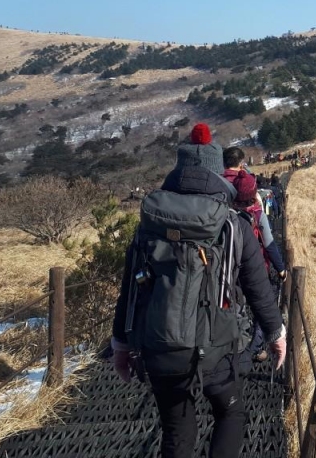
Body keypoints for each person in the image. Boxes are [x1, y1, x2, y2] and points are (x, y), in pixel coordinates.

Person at [111, 144, 286, 458]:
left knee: (176, 429)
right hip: (216, 349)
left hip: (158, 348)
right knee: (230, 414)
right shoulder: (233, 225)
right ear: (216, 173)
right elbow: (259, 290)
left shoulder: (149, 225)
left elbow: (130, 290)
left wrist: (121, 345)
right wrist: (275, 334)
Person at [221, 147, 286, 362]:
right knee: (260, 301)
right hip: (255, 263)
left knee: (232, 303)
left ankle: (231, 344)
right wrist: (281, 267)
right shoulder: (255, 211)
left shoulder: (216, 188)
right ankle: (254, 348)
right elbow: (269, 242)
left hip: (224, 262)